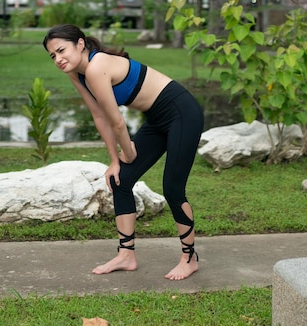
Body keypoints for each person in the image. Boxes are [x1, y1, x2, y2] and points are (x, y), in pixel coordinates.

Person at [43, 24, 204, 281]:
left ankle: (189, 257)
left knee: (173, 188)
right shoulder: (77, 73)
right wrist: (115, 161)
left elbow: (117, 121)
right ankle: (126, 255)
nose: (58, 59)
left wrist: (127, 153)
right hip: (157, 119)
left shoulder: (96, 67)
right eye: (53, 55)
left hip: (182, 112)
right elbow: (99, 116)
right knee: (120, 179)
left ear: (80, 44)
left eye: (61, 50)